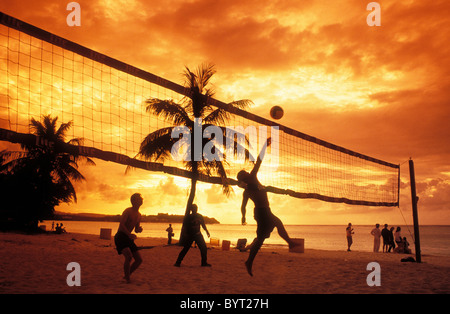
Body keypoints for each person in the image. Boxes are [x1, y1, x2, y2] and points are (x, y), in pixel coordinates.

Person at [237, 138, 299, 276]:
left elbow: (243, 206)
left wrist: (243, 216)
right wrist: (265, 145)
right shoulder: (251, 179)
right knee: (263, 237)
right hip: (262, 212)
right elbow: (259, 160)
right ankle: (249, 262)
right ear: (245, 177)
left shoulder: (247, 189)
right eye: (245, 172)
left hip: (263, 211)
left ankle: (289, 243)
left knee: (273, 227)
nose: (247, 172)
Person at [114, 193, 144, 283]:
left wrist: (139, 229)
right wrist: (129, 234)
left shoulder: (139, 215)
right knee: (129, 256)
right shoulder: (128, 211)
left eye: (141, 198)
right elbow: (122, 225)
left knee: (139, 260)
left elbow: (136, 229)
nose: (141, 199)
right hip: (121, 236)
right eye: (139, 198)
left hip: (128, 237)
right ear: (134, 201)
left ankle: (127, 275)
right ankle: (127, 279)